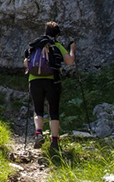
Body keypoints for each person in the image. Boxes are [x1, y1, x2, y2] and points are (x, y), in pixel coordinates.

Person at [24, 21, 76, 152]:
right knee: (54, 111)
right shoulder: (56, 45)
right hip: (52, 81)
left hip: (34, 81)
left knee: (38, 110)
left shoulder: (34, 45)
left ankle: (38, 134)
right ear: (57, 34)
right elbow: (69, 62)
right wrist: (72, 49)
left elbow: (26, 63)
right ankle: (54, 141)